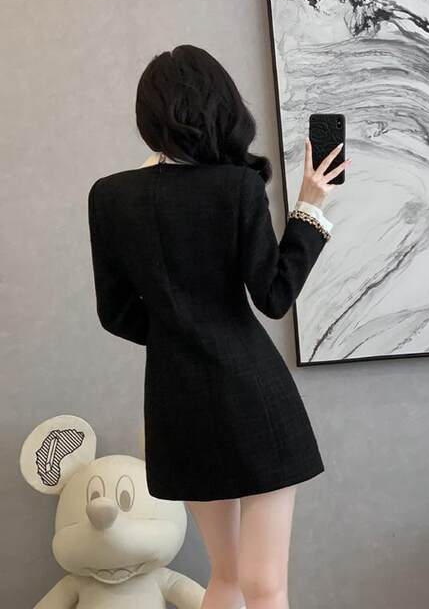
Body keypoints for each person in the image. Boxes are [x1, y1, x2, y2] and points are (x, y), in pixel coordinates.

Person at [87, 44, 351, 609]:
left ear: (148, 116)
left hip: (176, 404)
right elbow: (273, 296)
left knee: (225, 577)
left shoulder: (108, 197)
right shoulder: (234, 186)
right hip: (251, 397)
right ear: (221, 109)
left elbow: (116, 313)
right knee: (265, 584)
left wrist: (179, 333)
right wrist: (310, 207)